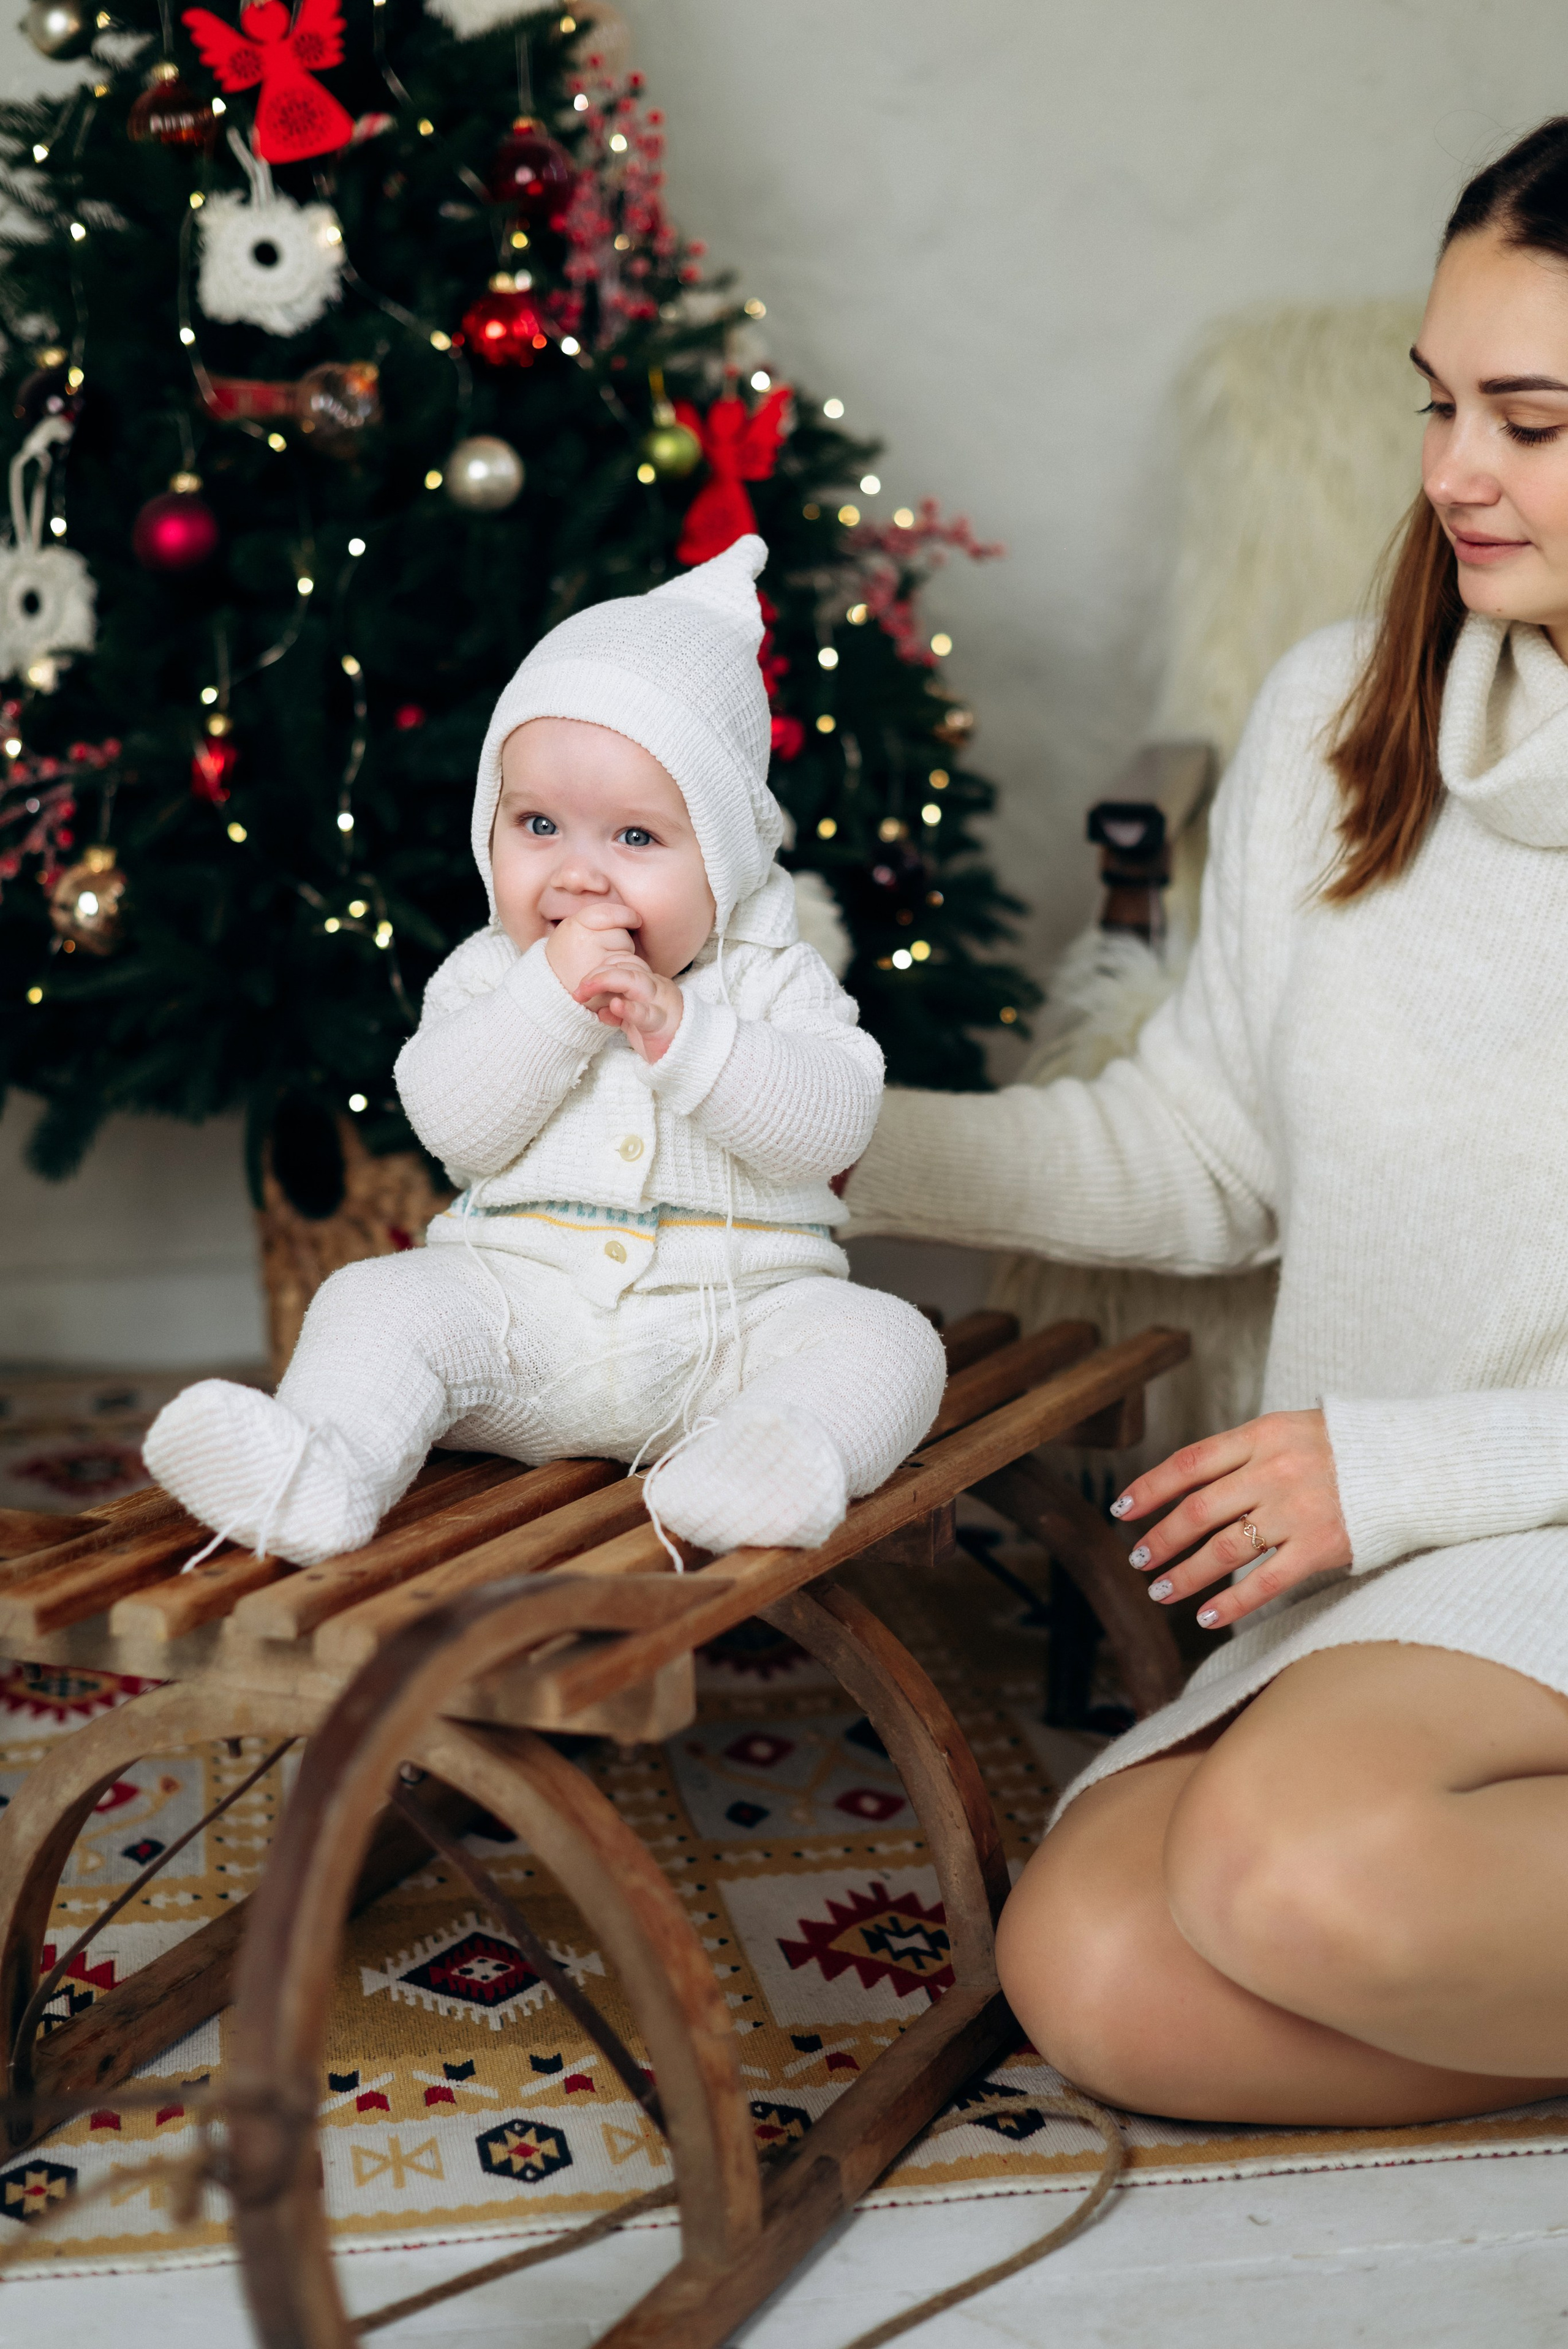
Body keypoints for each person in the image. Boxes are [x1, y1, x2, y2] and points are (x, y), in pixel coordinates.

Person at [844, 119, 1568, 2127]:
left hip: (1472, 1507)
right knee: (1096, 1966)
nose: (1451, 472)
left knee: (1289, 1865)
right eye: (1439, 402)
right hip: (1419, 1562)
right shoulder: (1348, 717)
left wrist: (1396, 1467)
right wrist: (829, 1137)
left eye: (1531, 421)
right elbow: (1202, 1151)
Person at [145, 535, 945, 1568]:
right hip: (518, 1319)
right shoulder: (491, 974)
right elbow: (453, 1122)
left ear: (727, 860)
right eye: (537, 825)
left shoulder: (769, 977)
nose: (578, 877)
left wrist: (687, 1035)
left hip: (730, 1327)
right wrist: (550, 1006)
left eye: (635, 839)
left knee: (890, 1343)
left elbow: (830, 1125)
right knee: (369, 1300)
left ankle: (759, 1466)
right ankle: (321, 1473)